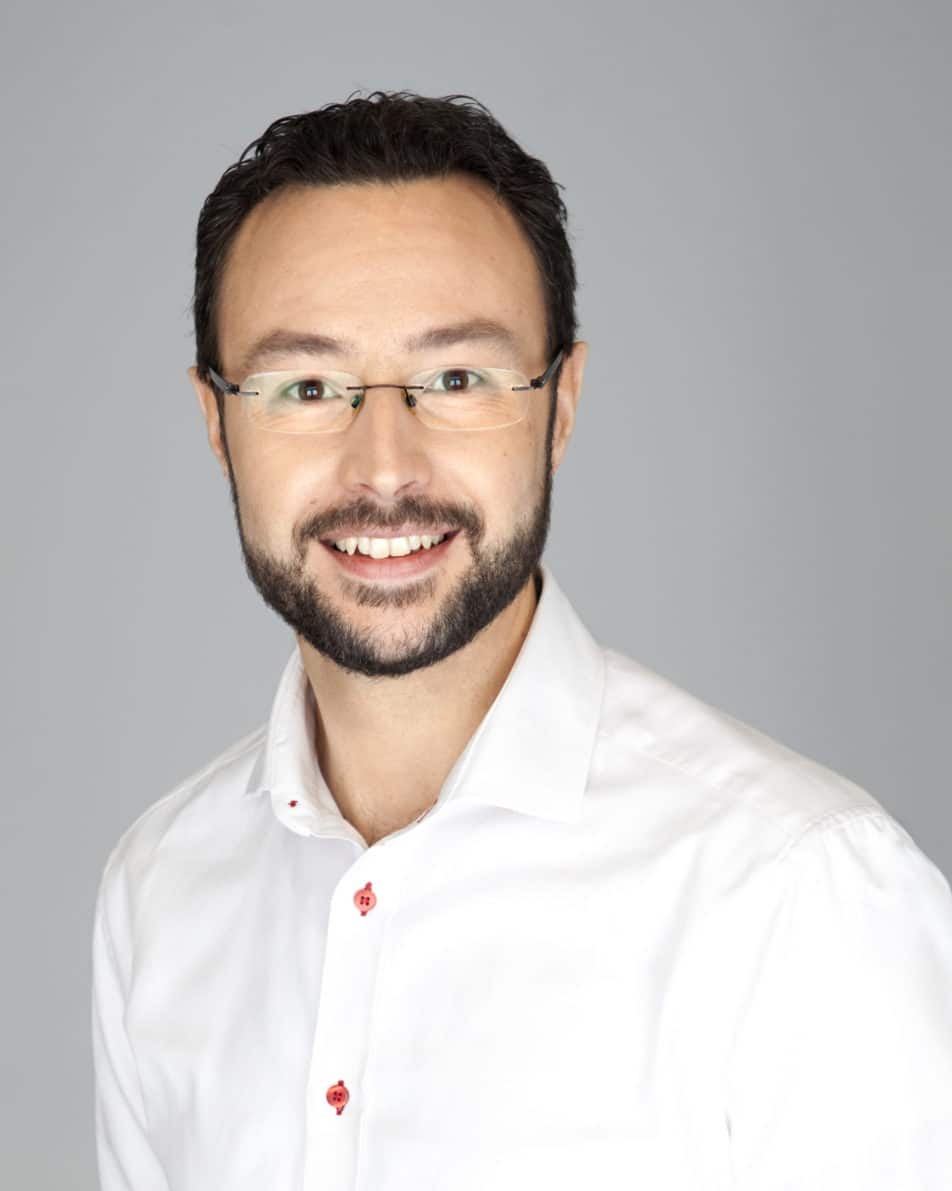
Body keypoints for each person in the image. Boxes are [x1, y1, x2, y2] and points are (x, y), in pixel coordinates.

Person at [91, 90, 952, 1190]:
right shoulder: (159, 891)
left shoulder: (803, 898)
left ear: (563, 404)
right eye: (305, 386)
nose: (384, 468)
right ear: (218, 423)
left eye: (458, 379)